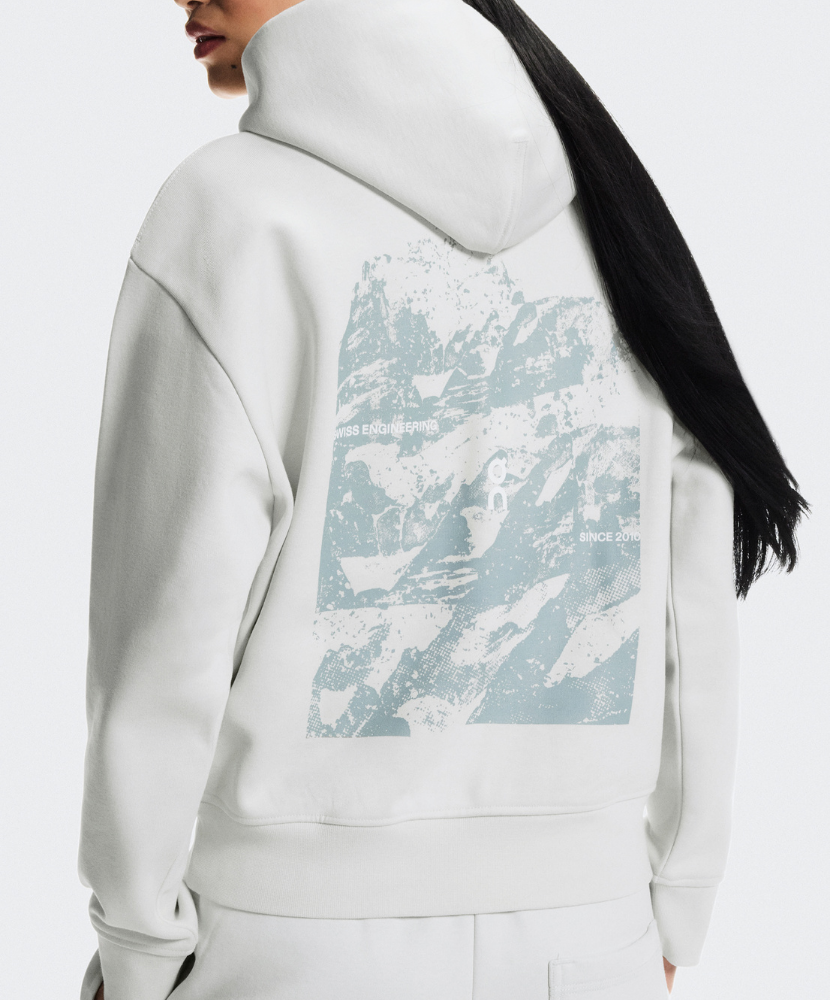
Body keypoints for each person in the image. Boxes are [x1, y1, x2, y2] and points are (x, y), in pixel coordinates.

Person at [78, 1, 808, 998]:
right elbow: (691, 598)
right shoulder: (610, 210)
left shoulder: (228, 211)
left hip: (287, 945)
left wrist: (137, 941)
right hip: (590, 939)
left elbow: (166, 629)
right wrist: (678, 893)